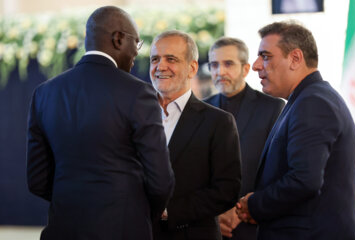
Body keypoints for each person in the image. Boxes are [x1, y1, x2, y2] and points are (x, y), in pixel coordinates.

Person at [26, 6, 175, 240]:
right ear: (117, 39)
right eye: (136, 43)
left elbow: (36, 179)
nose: (137, 53)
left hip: (62, 229)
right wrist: (139, 213)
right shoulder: (139, 93)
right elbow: (161, 181)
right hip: (123, 229)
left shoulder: (44, 93)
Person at [236, 21, 355, 239]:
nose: (255, 65)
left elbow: (304, 180)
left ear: (295, 58)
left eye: (265, 56)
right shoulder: (305, 99)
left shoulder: (313, 102)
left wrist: (254, 205)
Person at [149, 30, 241, 240]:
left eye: (171, 59)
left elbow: (227, 190)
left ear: (192, 68)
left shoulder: (218, 122)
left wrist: (167, 212)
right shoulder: (134, 118)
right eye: (155, 59)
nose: (160, 66)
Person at [205, 37, 285, 240]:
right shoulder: (200, 110)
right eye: (214, 64)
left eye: (228, 64)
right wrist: (215, 217)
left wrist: (241, 211)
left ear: (246, 68)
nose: (220, 71)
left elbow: (276, 170)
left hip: (253, 224)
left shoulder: (272, 107)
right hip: (208, 225)